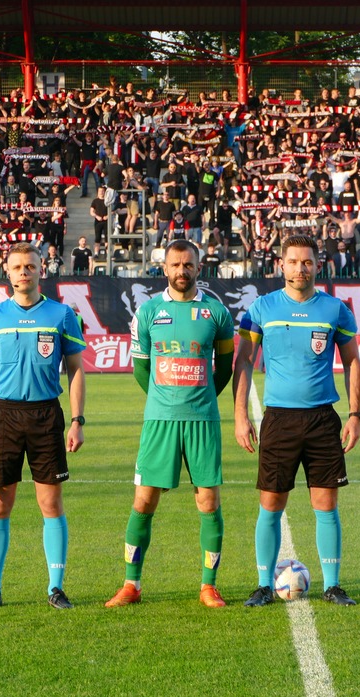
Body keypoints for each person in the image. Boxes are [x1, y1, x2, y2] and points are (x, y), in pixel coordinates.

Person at [234, 234, 360, 607]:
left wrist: (355, 414)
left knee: (326, 504)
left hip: (323, 418)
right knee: (271, 503)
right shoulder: (261, 308)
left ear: (316, 266)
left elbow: (354, 361)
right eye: (293, 261)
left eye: (306, 262)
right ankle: (263, 585)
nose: (300, 268)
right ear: (282, 264)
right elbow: (243, 360)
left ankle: (333, 585)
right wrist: (241, 416)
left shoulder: (335, 309)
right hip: (278, 419)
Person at [105, 240, 235, 609]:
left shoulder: (215, 312)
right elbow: (142, 368)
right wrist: (163, 398)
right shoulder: (148, 312)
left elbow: (223, 369)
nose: (182, 271)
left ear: (199, 267)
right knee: (144, 501)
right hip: (159, 421)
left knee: (208, 502)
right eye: (175, 265)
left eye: (188, 265)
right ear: (164, 268)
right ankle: (131, 584)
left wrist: (202, 396)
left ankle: (208, 586)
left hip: (202, 420)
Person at [0, 243, 87, 610]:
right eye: (17, 267)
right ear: (7, 272)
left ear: (40, 270)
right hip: (3, 416)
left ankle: (56, 587)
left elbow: (77, 369)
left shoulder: (62, 315)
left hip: (47, 415)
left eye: (30, 266)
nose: (23, 272)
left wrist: (77, 420)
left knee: (50, 502)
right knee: (0, 503)